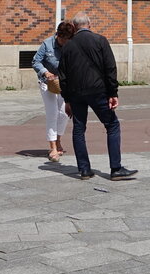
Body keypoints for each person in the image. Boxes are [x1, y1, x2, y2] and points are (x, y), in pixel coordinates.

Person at [57, 13, 137, 181]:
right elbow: (110, 68)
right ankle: (116, 168)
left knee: (79, 128)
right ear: (89, 24)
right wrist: (113, 93)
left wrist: (67, 99)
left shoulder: (67, 47)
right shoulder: (100, 40)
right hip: (97, 90)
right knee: (112, 124)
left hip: (76, 93)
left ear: (74, 26)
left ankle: (84, 169)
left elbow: (62, 76)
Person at [32, 20, 75, 161]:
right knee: (52, 113)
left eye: (67, 40)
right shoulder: (47, 44)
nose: (64, 43)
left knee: (64, 113)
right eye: (63, 39)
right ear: (58, 35)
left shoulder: (72, 44)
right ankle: (53, 148)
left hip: (64, 83)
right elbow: (36, 61)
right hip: (47, 83)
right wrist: (45, 72)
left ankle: (58, 139)